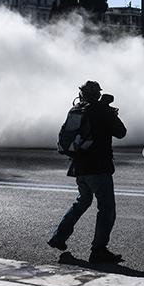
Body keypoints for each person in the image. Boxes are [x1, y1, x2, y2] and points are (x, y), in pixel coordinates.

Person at [49, 81, 127, 264]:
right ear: (98, 95)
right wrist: (109, 111)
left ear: (82, 94)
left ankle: (59, 237)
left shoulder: (76, 110)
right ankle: (98, 250)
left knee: (82, 201)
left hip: (79, 167)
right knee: (106, 209)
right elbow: (121, 132)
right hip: (98, 168)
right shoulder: (101, 110)